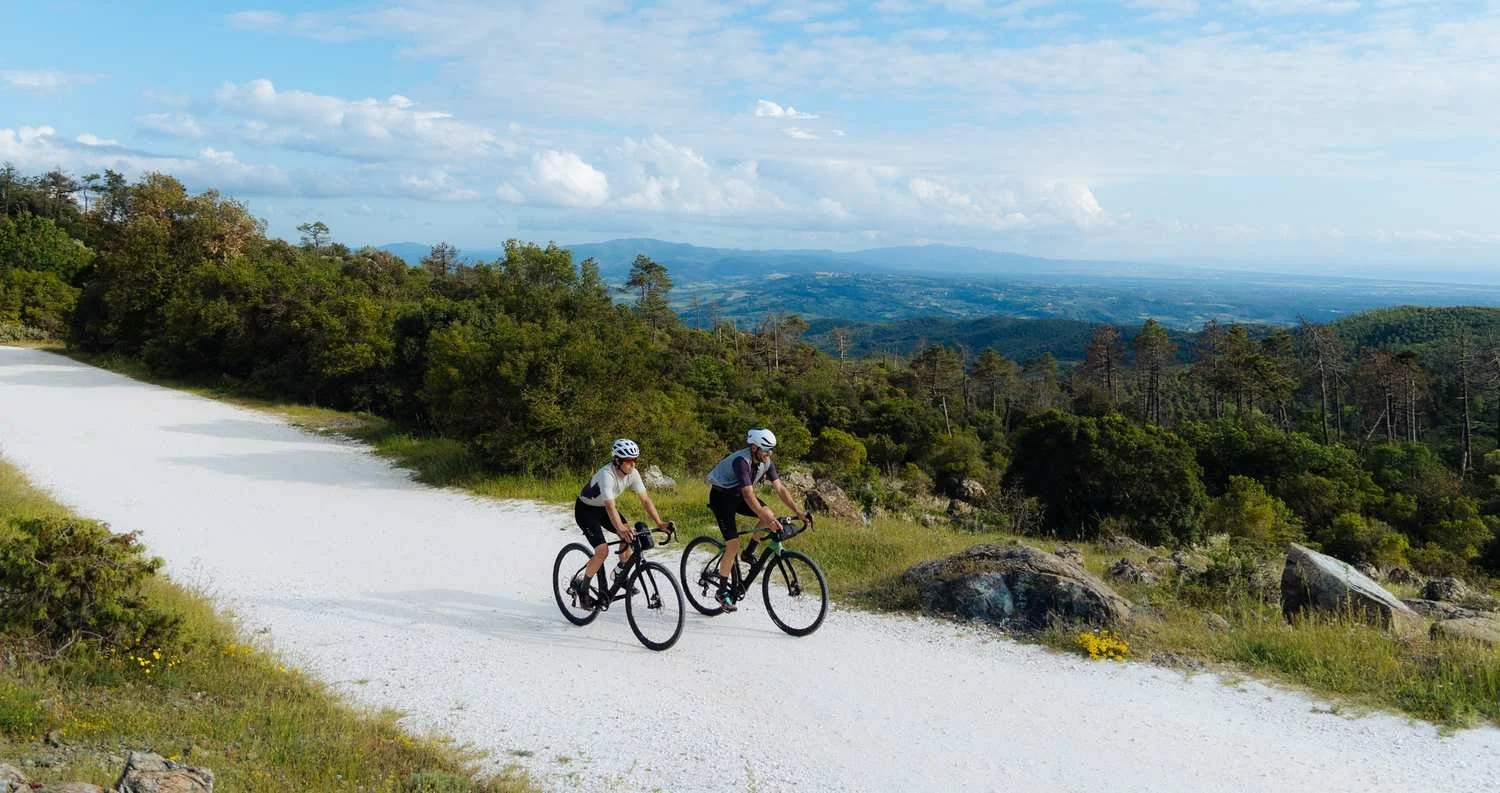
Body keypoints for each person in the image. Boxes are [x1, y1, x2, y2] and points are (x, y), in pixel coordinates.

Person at [702, 427, 807, 612]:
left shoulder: (766, 461)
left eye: (771, 450)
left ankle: (748, 553)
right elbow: (749, 495)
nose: (769, 454)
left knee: (768, 514)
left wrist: (798, 512)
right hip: (721, 497)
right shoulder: (742, 461)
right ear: (754, 448)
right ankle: (722, 592)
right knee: (733, 544)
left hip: (738, 496)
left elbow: (780, 488)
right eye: (765, 450)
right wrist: (762, 514)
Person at [569, 438, 668, 608]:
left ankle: (620, 571)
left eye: (635, 460)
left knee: (629, 534)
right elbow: (610, 506)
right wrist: (620, 528)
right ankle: (583, 589)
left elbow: (645, 500)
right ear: (618, 461)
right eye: (629, 461)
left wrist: (659, 522)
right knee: (602, 551)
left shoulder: (633, 474)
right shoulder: (606, 475)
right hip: (586, 510)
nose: (633, 465)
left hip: (603, 508)